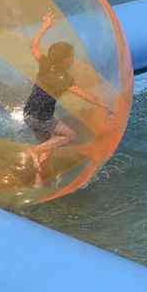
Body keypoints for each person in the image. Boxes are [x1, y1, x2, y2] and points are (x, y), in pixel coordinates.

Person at [23, 11, 111, 183]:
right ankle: (33, 151)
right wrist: (105, 106)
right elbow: (87, 97)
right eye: (71, 56)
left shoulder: (45, 63)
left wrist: (45, 26)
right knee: (69, 136)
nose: (73, 59)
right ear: (65, 61)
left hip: (28, 113)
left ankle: (38, 182)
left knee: (48, 148)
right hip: (42, 118)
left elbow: (34, 46)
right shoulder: (64, 79)